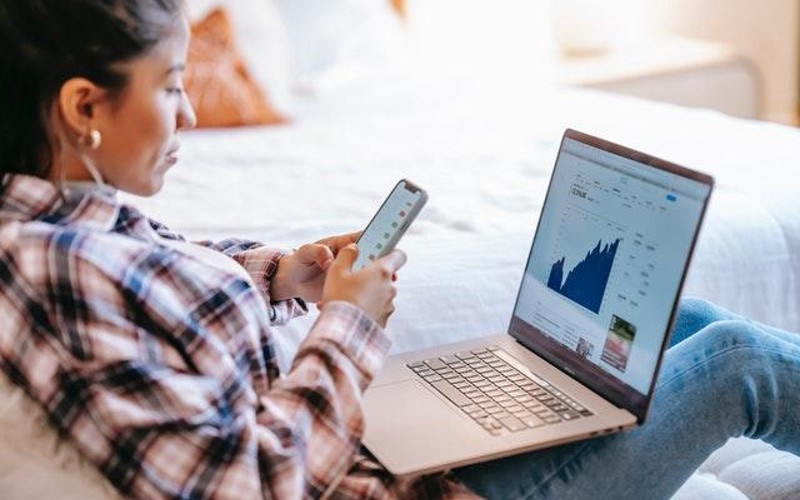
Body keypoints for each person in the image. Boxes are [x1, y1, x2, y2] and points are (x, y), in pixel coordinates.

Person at [0, 1, 798, 499]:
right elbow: (245, 485)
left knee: (676, 322)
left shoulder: (67, 226)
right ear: (83, 107)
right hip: (408, 489)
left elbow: (159, 279)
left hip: (384, 451)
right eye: (172, 85)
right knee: (732, 361)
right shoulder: (54, 268)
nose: (190, 115)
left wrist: (281, 272)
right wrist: (347, 325)